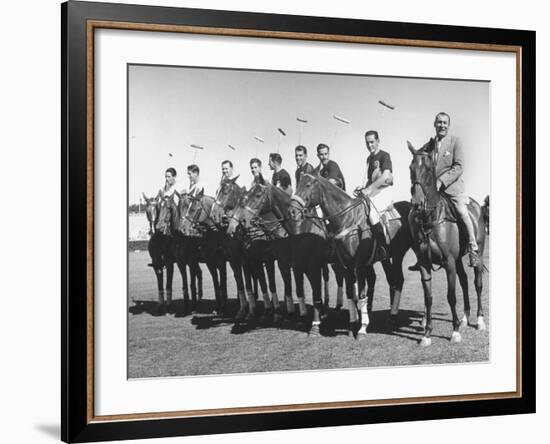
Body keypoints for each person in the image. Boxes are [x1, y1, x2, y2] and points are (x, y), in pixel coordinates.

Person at [411, 112, 479, 269]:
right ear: (434, 124)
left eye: (445, 123)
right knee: (415, 215)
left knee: (462, 211)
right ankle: (420, 255)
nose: (442, 125)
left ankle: (473, 248)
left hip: (452, 189)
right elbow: (420, 159)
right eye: (439, 122)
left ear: (448, 125)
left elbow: (459, 167)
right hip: (433, 193)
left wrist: (442, 181)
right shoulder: (430, 144)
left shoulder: (455, 142)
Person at [354, 130, 394, 260]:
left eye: (372, 142)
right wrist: (362, 190)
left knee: (372, 213)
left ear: (378, 141)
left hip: (385, 190)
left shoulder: (384, 155)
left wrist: (369, 188)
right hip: (374, 191)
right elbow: (370, 180)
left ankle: (383, 248)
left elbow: (385, 176)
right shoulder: (369, 159)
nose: (370, 145)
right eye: (367, 143)